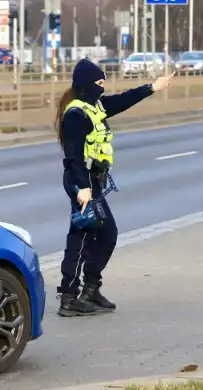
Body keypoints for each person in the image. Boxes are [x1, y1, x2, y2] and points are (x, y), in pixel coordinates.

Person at [54, 58, 175, 317]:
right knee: (83, 235)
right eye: (100, 82)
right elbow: (73, 154)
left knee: (105, 234)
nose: (104, 86)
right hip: (81, 182)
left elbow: (122, 100)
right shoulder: (76, 114)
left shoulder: (95, 106)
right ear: (86, 84)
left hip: (94, 181)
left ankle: (90, 288)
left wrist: (152, 88)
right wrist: (82, 188)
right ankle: (69, 296)